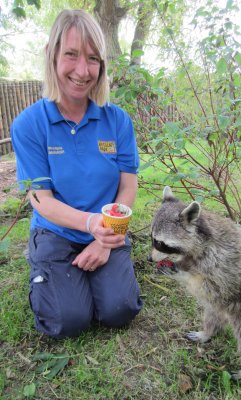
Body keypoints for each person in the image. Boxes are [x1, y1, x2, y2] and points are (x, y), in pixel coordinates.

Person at [11, 9, 143, 339]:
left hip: (106, 228)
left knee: (119, 310)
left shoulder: (118, 121)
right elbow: (41, 200)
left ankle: (98, 276)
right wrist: (88, 224)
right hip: (56, 231)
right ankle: (47, 267)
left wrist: (106, 239)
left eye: (93, 59)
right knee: (68, 322)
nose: (83, 71)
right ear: (51, 55)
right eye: (71, 54)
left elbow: (128, 185)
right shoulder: (28, 125)